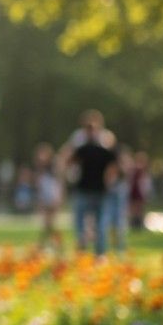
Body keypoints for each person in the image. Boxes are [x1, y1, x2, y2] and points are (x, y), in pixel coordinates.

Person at [58, 110, 118, 256]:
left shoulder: (84, 149)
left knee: (86, 223)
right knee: (97, 224)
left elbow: (67, 161)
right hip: (93, 190)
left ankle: (86, 251)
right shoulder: (99, 149)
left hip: (89, 190)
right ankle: (97, 253)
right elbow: (113, 169)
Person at [32, 143, 63, 253]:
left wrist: (58, 199)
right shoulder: (40, 170)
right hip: (44, 199)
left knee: (49, 224)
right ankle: (55, 245)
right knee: (48, 224)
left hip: (53, 198)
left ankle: (42, 245)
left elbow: (58, 185)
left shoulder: (53, 169)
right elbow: (39, 187)